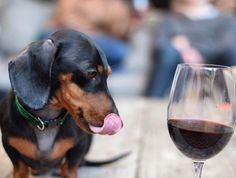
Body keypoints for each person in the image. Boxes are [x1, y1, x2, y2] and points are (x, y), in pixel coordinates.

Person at [144, 0, 236, 98]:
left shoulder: (226, 20)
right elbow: (159, 44)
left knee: (232, 52)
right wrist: (183, 49)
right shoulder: (170, 20)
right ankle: (154, 99)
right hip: (177, 61)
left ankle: (231, 100)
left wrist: (197, 52)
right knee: (168, 53)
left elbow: (226, 43)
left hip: (215, 61)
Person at [40, 0, 138, 71]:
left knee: (119, 51)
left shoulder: (116, 4)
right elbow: (65, 18)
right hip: (67, 32)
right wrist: (90, 29)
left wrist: (93, 31)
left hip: (102, 40)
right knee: (50, 38)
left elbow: (119, 27)